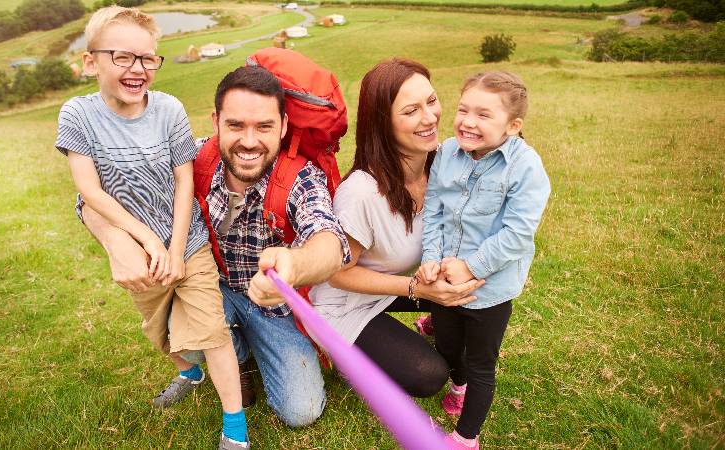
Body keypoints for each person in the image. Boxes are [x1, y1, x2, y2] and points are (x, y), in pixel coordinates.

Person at [79, 64, 349, 428]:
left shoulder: (301, 177)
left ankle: (246, 348)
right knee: (182, 337)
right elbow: (87, 199)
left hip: (273, 310)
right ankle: (234, 358)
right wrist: (114, 239)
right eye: (236, 125)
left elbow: (330, 240)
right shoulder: (191, 159)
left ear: (283, 127)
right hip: (209, 290)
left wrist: (295, 263)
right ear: (216, 121)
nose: (249, 141)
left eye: (264, 127)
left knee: (301, 412)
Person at [54, 7, 248, 448]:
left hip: (187, 240)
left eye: (147, 59)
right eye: (122, 58)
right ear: (91, 62)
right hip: (140, 250)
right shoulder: (77, 115)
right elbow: (90, 190)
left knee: (213, 332)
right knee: (157, 330)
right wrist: (146, 242)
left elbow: (184, 181)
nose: (137, 69)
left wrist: (177, 249)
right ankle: (187, 372)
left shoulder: (168, 109)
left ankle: (235, 430)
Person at [308, 59, 482, 398]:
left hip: (390, 289)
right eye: (411, 111)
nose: (430, 117)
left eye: (431, 101)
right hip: (342, 305)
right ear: (383, 123)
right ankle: (346, 358)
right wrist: (418, 290)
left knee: (471, 297)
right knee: (429, 376)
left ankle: (433, 322)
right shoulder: (361, 192)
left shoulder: (443, 164)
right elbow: (336, 275)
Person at [416, 71, 551, 450]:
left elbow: (517, 233)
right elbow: (435, 212)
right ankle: (455, 387)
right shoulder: (445, 153)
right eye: (463, 110)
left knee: (479, 365)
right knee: (446, 348)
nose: (468, 122)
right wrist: (431, 260)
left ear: (513, 125)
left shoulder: (525, 167)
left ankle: (465, 438)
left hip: (489, 290)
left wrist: (471, 266)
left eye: (484, 115)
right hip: (444, 282)